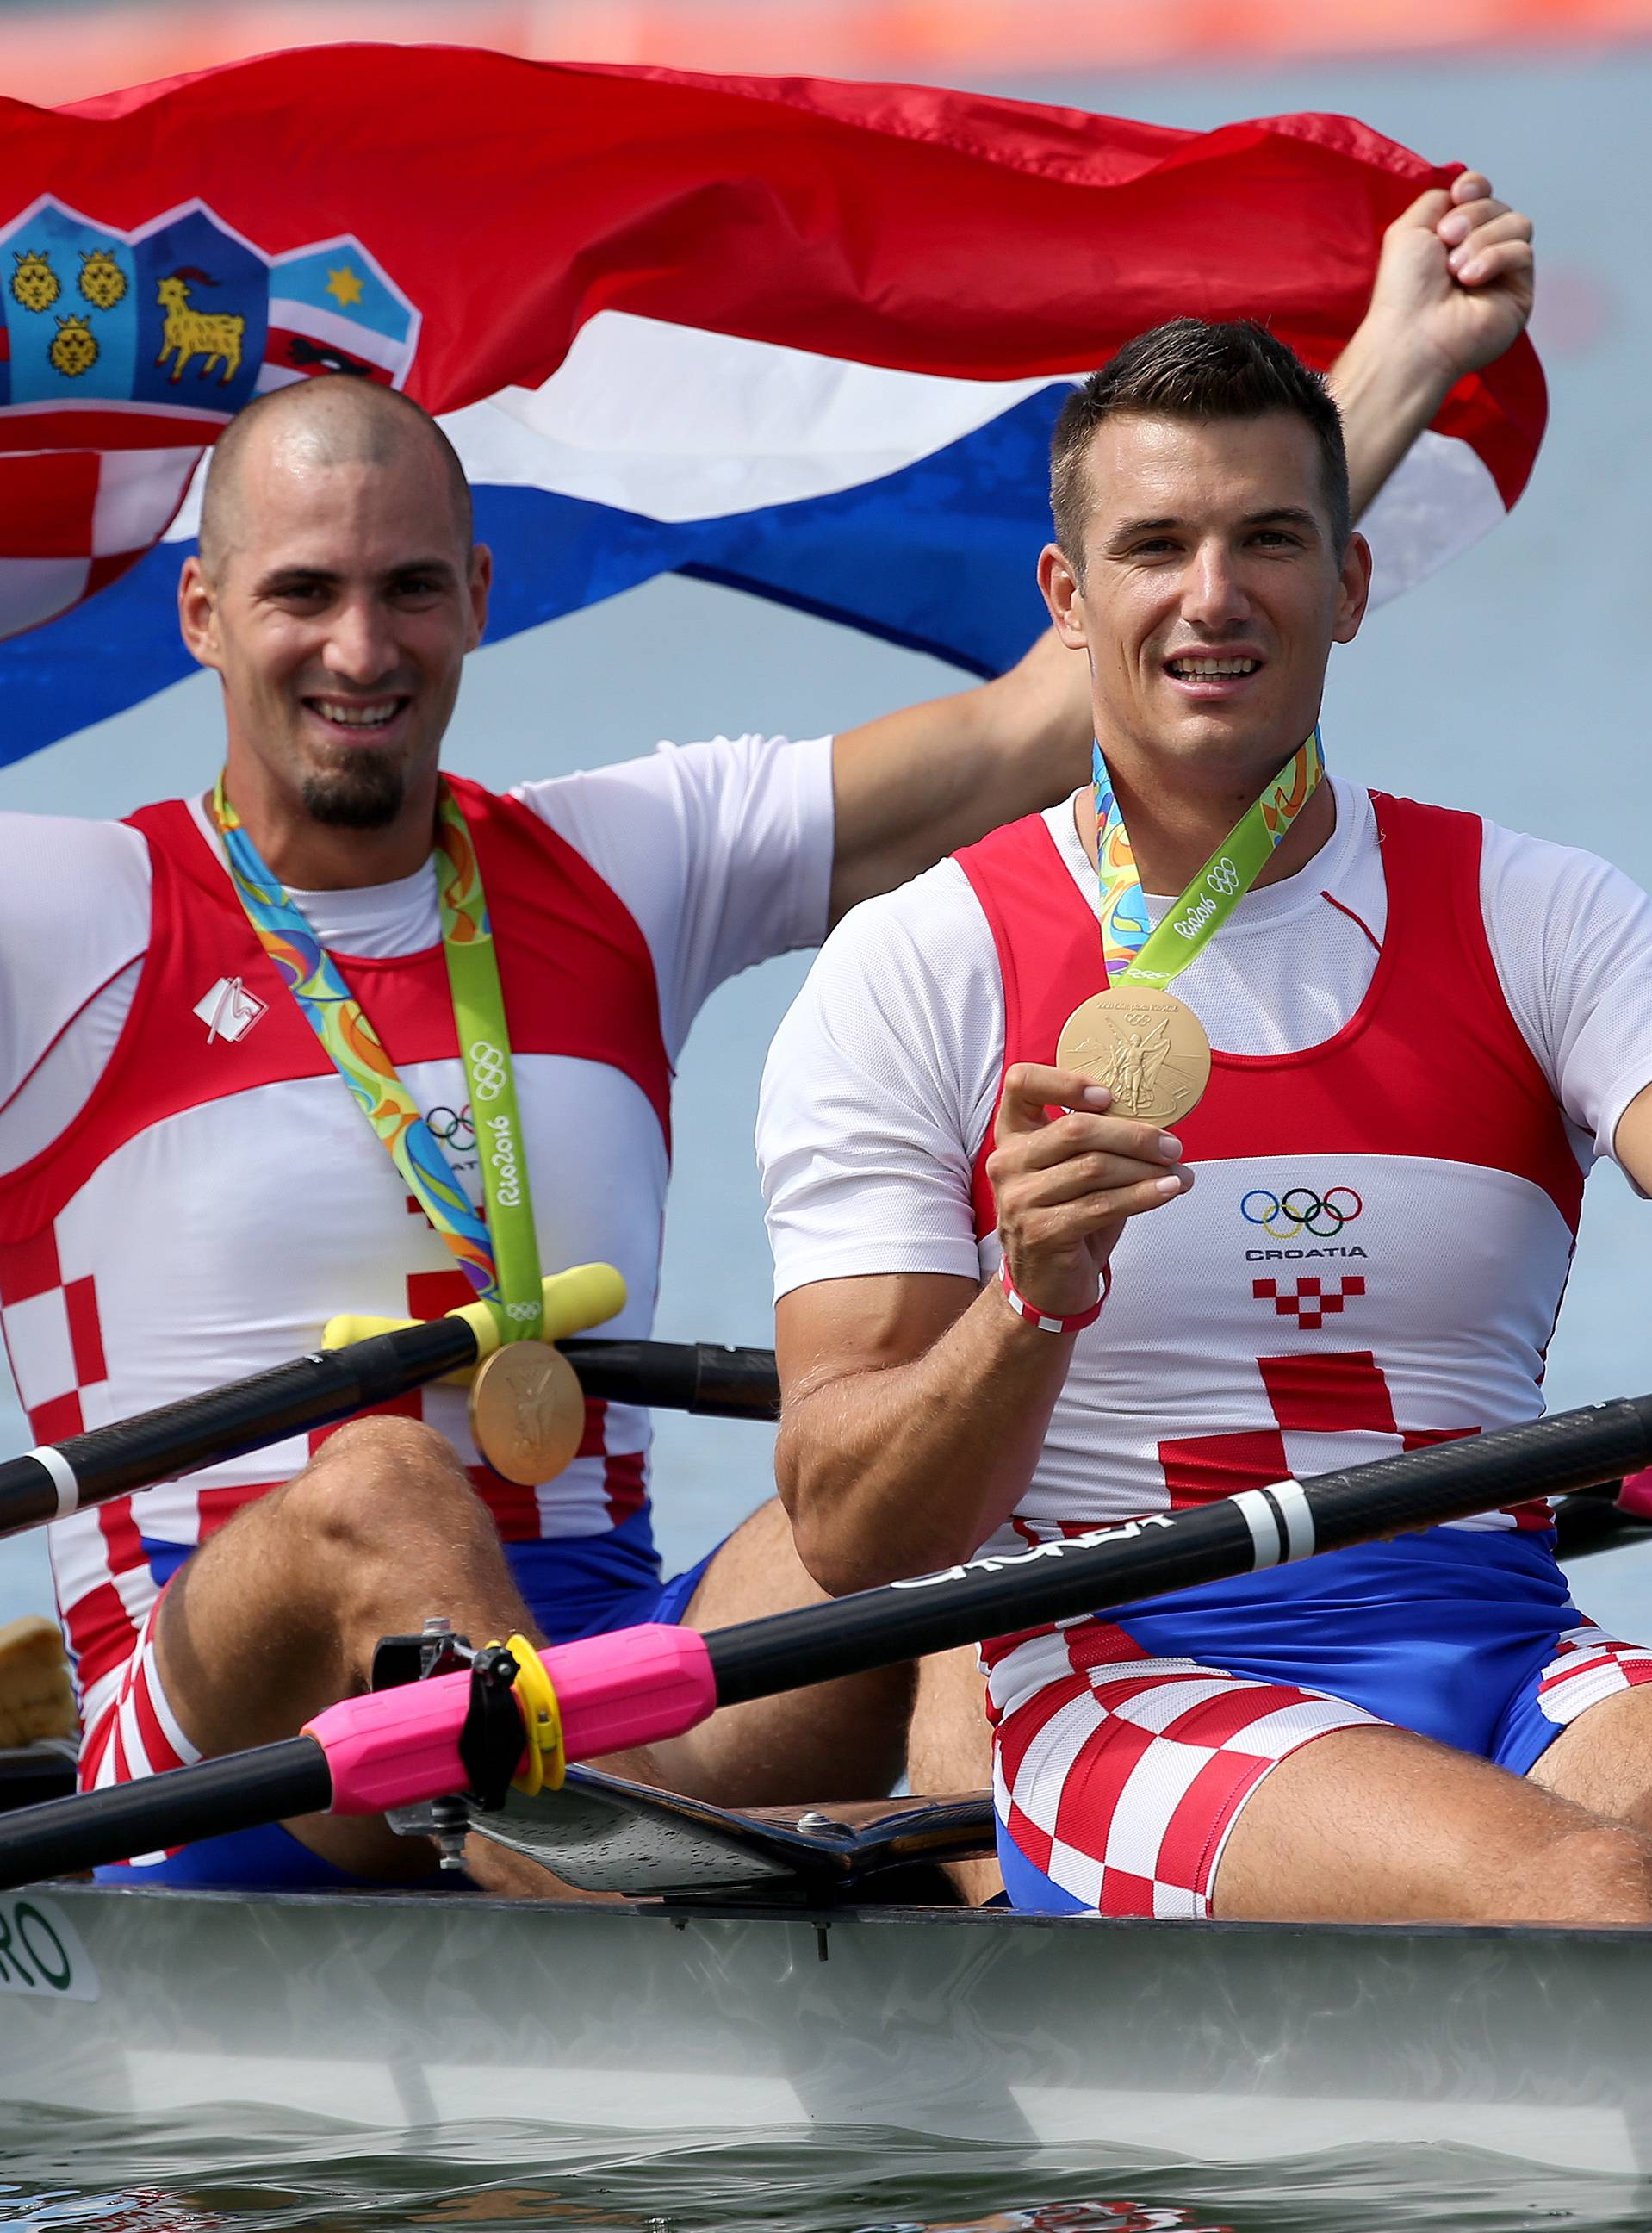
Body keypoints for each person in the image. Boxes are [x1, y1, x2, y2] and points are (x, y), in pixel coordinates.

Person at [0, 171, 1528, 1896]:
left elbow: (1052, 714)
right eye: (302, 595)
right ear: (201, 614)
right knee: (380, 1488)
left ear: (481, 596)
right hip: (221, 1754)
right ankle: (640, 1904)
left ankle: (987, 1907)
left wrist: (1403, 353)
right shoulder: (59, 915)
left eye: (411, 590)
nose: (362, 647)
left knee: (964, 1495)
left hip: (617, 1699)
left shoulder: (624, 861)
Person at [758, 286, 1652, 1928]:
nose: (1213, 597)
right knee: (1609, 1897)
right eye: (1155, 546)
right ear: (1070, 599)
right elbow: (845, 1532)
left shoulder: (1544, 912)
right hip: (1130, 1666)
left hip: (1516, 1638)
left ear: (1353, 580)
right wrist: (1028, 1301)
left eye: (1271, 542)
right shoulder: (916, 965)